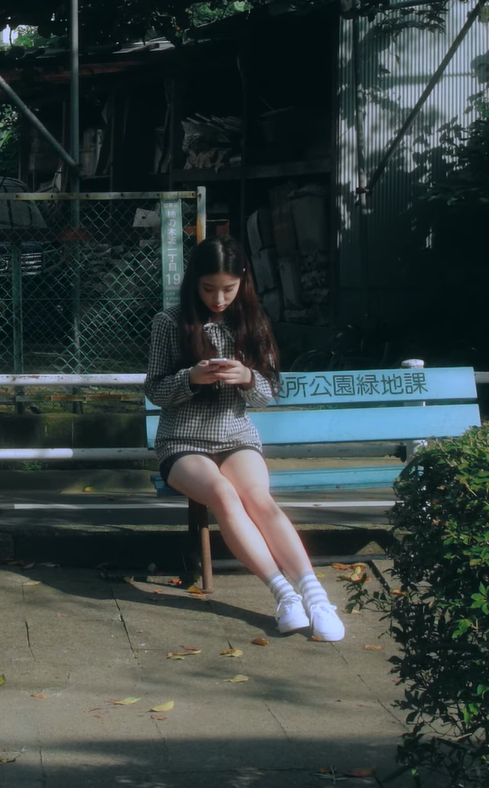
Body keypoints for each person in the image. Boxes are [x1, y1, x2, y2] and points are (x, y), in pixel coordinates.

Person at [143, 236, 344, 640]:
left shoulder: (253, 322)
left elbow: (268, 391)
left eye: (228, 289)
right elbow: (155, 389)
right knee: (223, 493)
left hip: (236, 436)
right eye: (208, 288)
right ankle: (283, 594)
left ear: (242, 282)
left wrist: (248, 377)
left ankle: (316, 596)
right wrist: (190, 378)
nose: (219, 298)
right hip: (182, 442)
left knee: (259, 499)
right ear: (193, 283)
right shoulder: (169, 322)